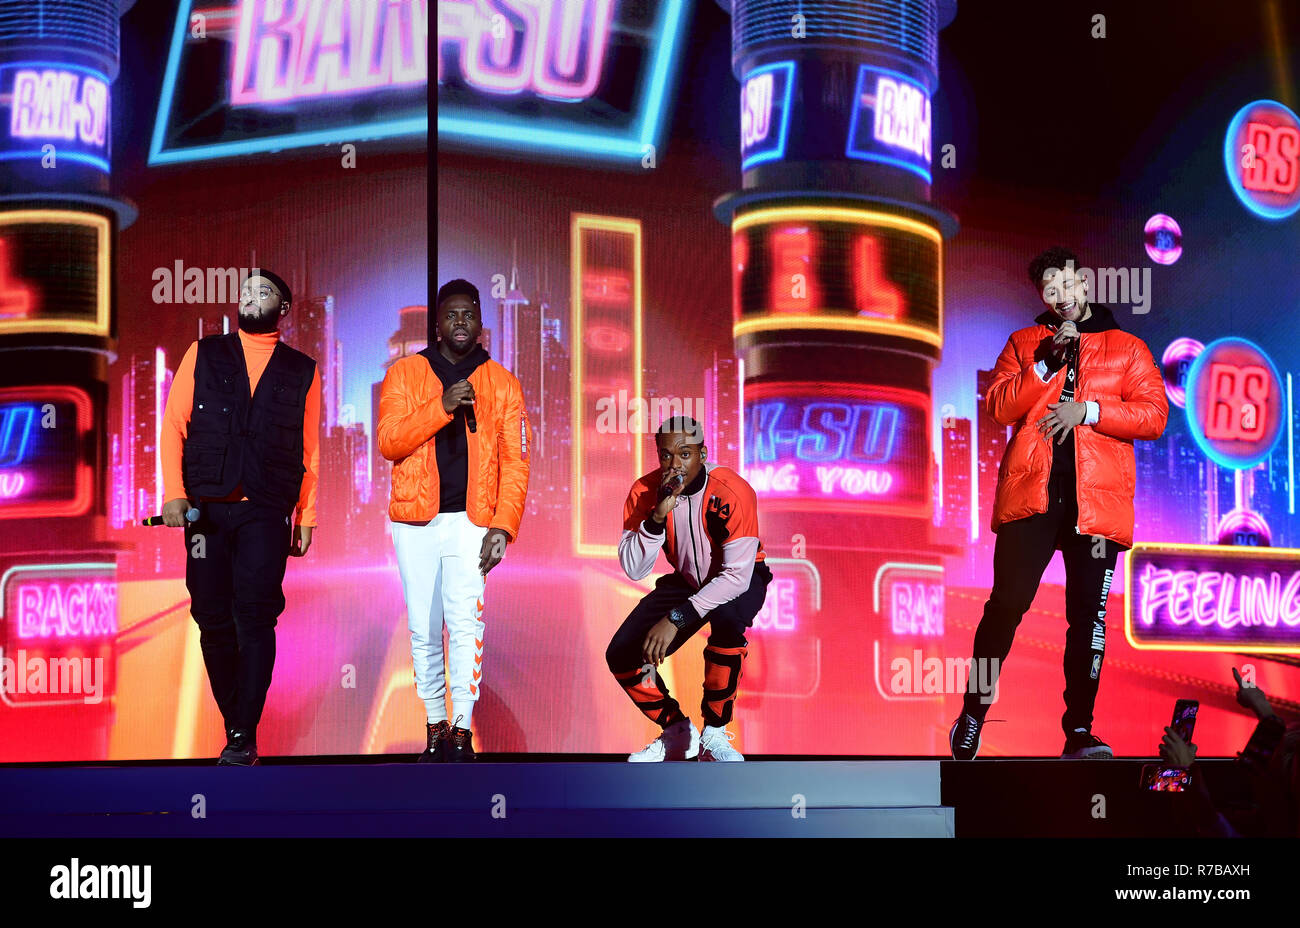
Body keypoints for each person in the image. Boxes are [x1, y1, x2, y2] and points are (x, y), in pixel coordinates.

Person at [950, 246, 1168, 760]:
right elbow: (1000, 407)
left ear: (1084, 283)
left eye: (1066, 285)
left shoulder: (1128, 347)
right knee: (1004, 608)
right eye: (1049, 291)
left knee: (1088, 619)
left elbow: (1154, 414)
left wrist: (1088, 411)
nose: (1060, 297)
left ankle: (1078, 731)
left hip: (1097, 509)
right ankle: (973, 713)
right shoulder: (1026, 343)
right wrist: (1044, 367)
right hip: (1033, 500)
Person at [160, 269, 321, 766]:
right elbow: (173, 425)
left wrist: (307, 513)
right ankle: (239, 724)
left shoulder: (302, 369)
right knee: (210, 612)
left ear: (284, 308)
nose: (251, 296)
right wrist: (173, 493)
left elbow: (310, 448)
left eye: (263, 291)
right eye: (245, 291)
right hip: (205, 510)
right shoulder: (203, 352)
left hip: (265, 509)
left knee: (255, 614)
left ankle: (240, 734)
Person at [378, 279, 530, 763]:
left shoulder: (502, 383)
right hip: (415, 522)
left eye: (469, 313)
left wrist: (502, 527)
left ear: (480, 320)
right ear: (438, 323)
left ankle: (462, 732)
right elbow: (390, 442)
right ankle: (435, 727)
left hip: (474, 522)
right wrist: (442, 406)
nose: (461, 321)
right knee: (424, 627)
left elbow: (516, 461)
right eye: (452, 314)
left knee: (466, 625)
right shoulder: (406, 373)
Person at [608, 416, 772, 762]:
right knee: (621, 653)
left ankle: (714, 734)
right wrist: (655, 518)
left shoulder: (733, 491)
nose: (674, 464)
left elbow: (736, 578)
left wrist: (677, 618)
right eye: (666, 455)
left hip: (738, 577)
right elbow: (635, 568)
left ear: (702, 453)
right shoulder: (643, 491)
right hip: (685, 579)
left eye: (685, 454)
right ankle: (677, 733)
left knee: (728, 617)